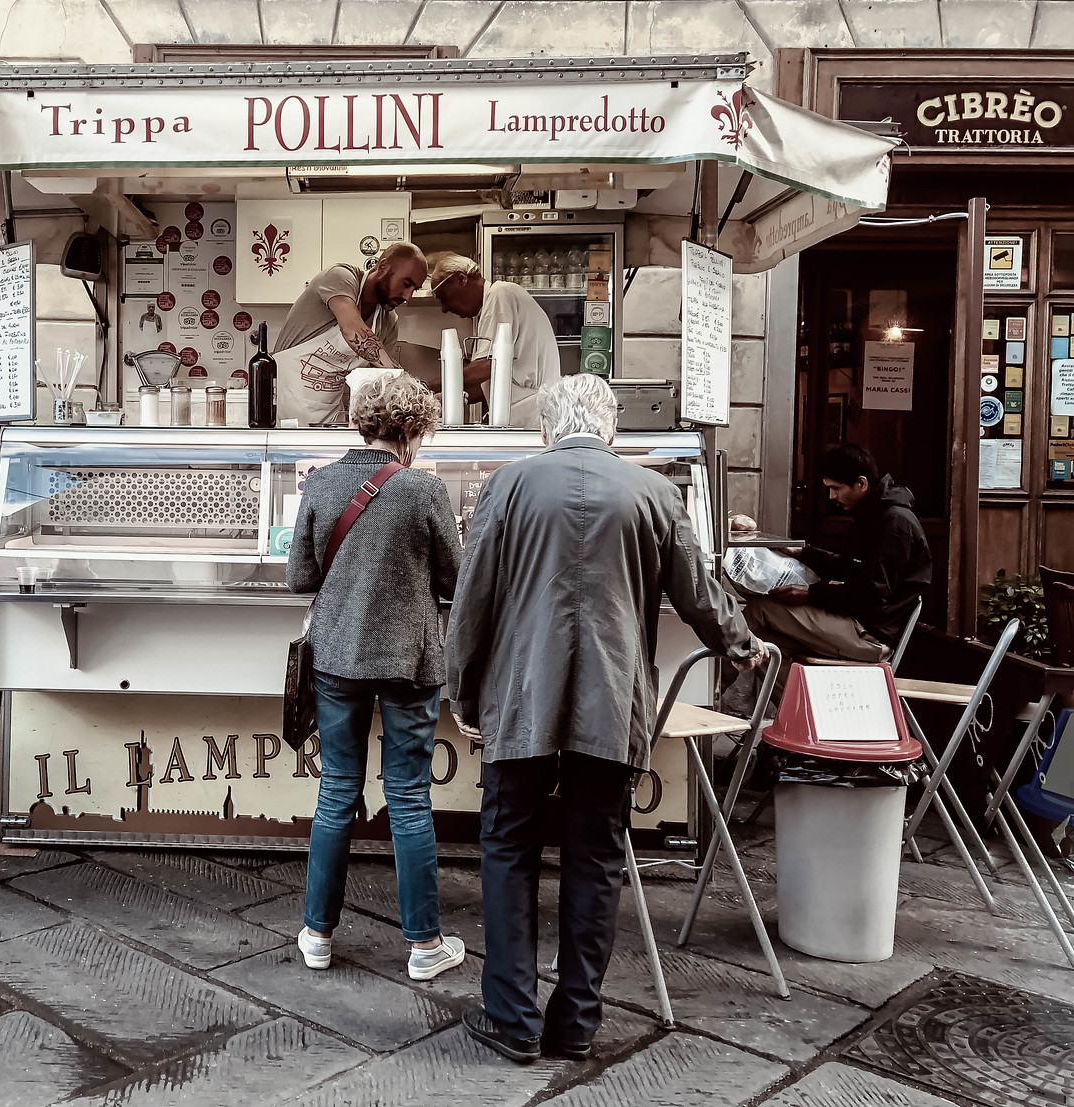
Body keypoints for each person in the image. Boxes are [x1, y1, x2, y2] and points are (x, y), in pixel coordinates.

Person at [445, 374, 764, 1064]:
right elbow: (700, 592)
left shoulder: (508, 485)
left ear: (546, 428)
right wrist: (740, 647)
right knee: (596, 857)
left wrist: (462, 692)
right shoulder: (656, 493)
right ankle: (578, 1022)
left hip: (522, 696)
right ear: (612, 427)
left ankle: (512, 1017)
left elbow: (473, 599)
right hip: (613, 702)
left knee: (508, 849)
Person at [286, 372, 467, 982]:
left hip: (338, 657)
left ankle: (316, 933)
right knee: (409, 796)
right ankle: (423, 946)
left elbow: (299, 579)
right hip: (409, 662)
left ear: (361, 423)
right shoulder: (424, 490)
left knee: (337, 790)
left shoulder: (323, 481)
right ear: (413, 431)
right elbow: (454, 581)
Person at [743, 444, 931, 663]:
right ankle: (791, 698)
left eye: (837, 488)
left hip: (870, 633)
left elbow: (872, 593)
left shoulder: (895, 523)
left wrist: (811, 594)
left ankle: (713, 691)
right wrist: (803, 553)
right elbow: (851, 566)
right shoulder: (872, 515)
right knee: (767, 645)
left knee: (759, 612)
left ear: (861, 483)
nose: (832, 496)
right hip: (857, 621)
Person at [272, 242, 428, 427]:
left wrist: (419, 398)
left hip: (329, 419)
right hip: (281, 410)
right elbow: (352, 330)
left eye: (414, 289)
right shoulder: (340, 277)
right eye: (406, 284)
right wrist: (403, 381)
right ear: (383, 267)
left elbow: (379, 382)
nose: (408, 297)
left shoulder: (388, 321)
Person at [427, 254, 560, 427]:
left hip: (529, 416)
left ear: (461, 278)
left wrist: (426, 387)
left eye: (443, 296)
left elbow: (488, 366)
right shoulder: (495, 302)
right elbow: (490, 381)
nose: (444, 308)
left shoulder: (500, 294)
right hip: (529, 415)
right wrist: (449, 396)